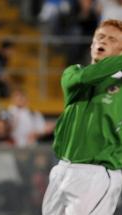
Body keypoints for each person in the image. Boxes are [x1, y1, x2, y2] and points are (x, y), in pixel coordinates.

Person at [42, 19, 122, 215]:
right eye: (100, 37)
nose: (103, 41)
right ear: (92, 44)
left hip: (97, 173)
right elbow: (87, 77)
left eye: (112, 39)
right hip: (61, 169)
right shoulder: (73, 73)